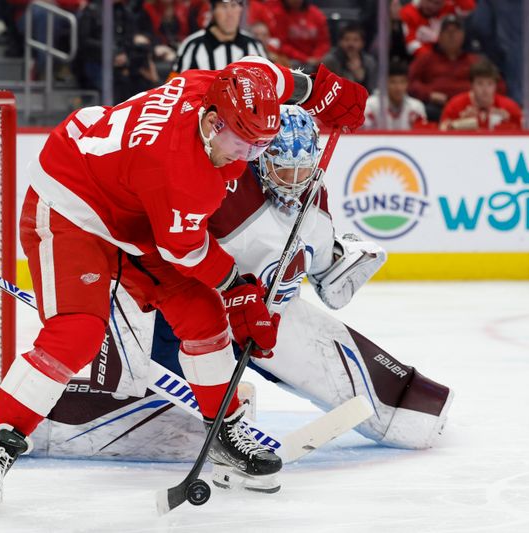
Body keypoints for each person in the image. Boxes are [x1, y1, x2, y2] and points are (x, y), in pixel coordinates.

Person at [0, 57, 368, 513]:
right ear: (210, 123)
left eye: (255, 149)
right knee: (78, 333)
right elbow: (185, 251)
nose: (241, 158)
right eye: (236, 143)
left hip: (135, 208)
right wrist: (238, 291)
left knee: (204, 319)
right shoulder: (182, 173)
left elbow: (265, 73)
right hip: (73, 202)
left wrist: (323, 90)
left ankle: (224, 431)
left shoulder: (224, 91)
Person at [29, 106, 453, 491]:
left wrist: (342, 261)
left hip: (265, 319)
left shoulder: (315, 205)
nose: (293, 181)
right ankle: (109, 402)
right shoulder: (221, 191)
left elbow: (326, 270)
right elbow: (170, 252)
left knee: (404, 408)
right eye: (284, 170)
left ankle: (406, 407)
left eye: (302, 170)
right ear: (262, 160)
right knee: (176, 347)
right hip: (192, 317)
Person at [408, 14, 479, 122]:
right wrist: (429, 94)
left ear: (463, 36)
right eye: (447, 32)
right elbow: (409, 81)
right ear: (439, 36)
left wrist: (476, 95)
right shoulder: (426, 59)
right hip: (436, 108)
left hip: (469, 108)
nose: (451, 36)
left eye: (455, 32)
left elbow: (495, 82)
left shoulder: (474, 61)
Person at [175, 0, 267, 72]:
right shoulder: (192, 46)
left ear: (241, 9)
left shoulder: (254, 46)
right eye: (224, 7)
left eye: (234, 6)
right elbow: (173, 87)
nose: (230, 14)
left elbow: (268, 86)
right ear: (212, 10)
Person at [440, 58, 523, 131]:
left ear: (495, 86)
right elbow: (441, 130)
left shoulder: (509, 107)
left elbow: (524, 131)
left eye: (490, 84)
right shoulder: (455, 105)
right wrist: (460, 123)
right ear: (471, 85)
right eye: (480, 83)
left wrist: (507, 123)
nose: (485, 89)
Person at [364, 60, 426, 130]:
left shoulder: (416, 107)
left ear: (408, 83)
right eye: (393, 82)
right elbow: (364, 136)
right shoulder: (370, 106)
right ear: (384, 83)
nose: (398, 88)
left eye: (402, 82)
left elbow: (421, 137)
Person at [399, 0, 474, 58]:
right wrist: (433, 60)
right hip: (422, 60)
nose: (431, 6)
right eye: (428, 0)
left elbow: (468, 8)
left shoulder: (448, 7)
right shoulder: (408, 12)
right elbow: (411, 44)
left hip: (450, 57)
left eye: (436, 3)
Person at [270, 0, 331, 71]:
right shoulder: (279, 14)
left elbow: (323, 42)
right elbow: (282, 44)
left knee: (329, 61)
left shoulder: (317, 14)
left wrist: (316, 57)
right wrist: (305, 59)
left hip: (316, 59)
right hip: (293, 59)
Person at [322, 22, 377, 92]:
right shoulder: (330, 61)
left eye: (355, 40)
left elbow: (373, 89)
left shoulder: (369, 62)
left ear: (362, 43)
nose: (351, 44)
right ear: (340, 42)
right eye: (347, 39)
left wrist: (362, 77)